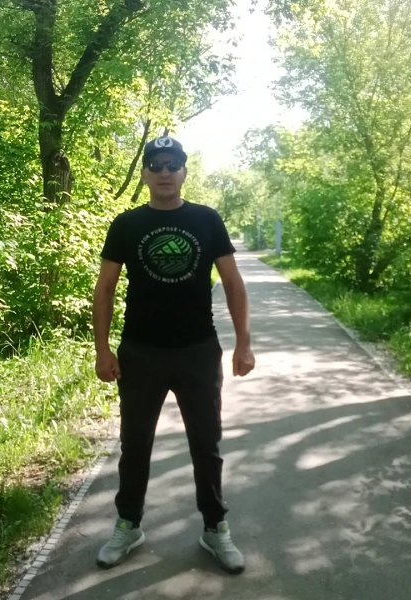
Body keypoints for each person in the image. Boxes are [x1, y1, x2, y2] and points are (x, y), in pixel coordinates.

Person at [92, 135, 255, 574]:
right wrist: (102, 350)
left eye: (172, 165)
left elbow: (233, 282)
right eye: (156, 165)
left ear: (184, 172)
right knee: (135, 444)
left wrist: (244, 342)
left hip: (197, 350)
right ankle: (128, 524)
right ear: (145, 173)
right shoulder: (126, 224)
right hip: (141, 352)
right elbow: (105, 289)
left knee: (206, 444)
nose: (164, 172)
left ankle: (215, 527)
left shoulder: (206, 219)